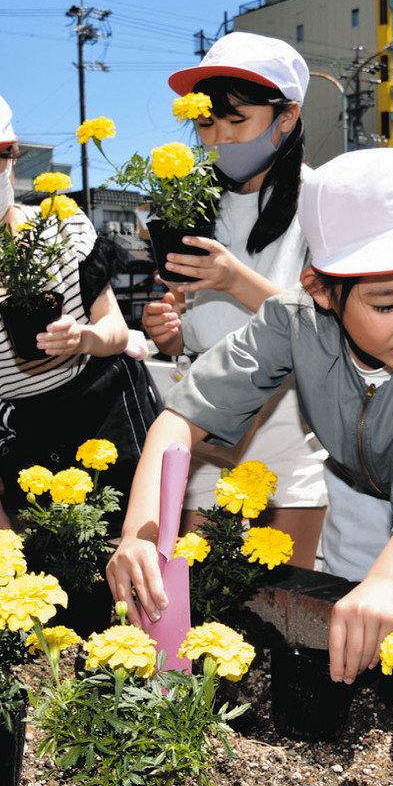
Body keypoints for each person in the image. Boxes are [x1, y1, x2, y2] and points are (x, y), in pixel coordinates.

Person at [107, 148, 393, 684]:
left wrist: (388, 578)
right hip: (360, 490)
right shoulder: (291, 320)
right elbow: (181, 416)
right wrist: (138, 534)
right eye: (386, 305)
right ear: (321, 289)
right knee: (357, 632)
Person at [0, 76, 160, 547]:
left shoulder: (62, 225)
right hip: (33, 424)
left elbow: (118, 332)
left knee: (138, 546)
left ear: (13, 156)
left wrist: (84, 339)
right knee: (56, 559)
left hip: (112, 404)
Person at [144, 32, 327, 567]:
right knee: (201, 592)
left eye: (236, 120)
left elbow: (329, 325)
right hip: (204, 422)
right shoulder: (191, 202)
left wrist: (233, 279)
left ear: (286, 118)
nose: (218, 137)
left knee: (290, 610)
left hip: (290, 421)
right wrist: (171, 328)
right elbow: (196, 328)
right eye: (206, 122)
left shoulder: (319, 201)